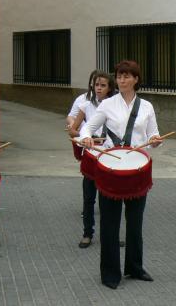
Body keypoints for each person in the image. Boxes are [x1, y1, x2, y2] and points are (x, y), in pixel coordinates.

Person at [81, 60, 162, 290]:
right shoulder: (107, 104)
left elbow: (153, 135)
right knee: (109, 223)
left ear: (136, 79)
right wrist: (86, 137)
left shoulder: (146, 106)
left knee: (135, 223)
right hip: (112, 168)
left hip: (138, 169)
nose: (122, 80)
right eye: (119, 76)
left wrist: (155, 141)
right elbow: (88, 127)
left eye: (126, 76)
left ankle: (135, 267)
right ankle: (110, 273)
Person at [74, 71, 116, 249]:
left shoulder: (115, 106)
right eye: (96, 85)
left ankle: (110, 235)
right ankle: (87, 233)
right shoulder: (86, 105)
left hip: (109, 155)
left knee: (110, 199)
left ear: (109, 88)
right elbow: (73, 129)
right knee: (89, 198)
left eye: (103, 85)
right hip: (91, 155)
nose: (98, 88)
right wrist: (85, 136)